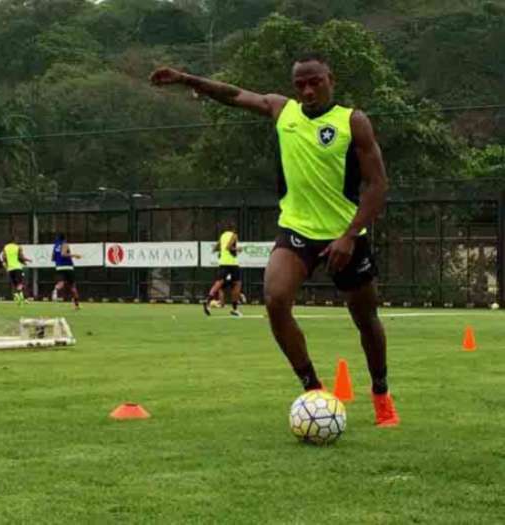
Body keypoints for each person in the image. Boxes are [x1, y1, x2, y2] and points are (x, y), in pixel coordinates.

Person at [150, 52, 399, 427]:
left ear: (330, 78)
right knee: (276, 299)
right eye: (300, 84)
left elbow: (378, 186)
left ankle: (381, 393)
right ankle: (313, 389)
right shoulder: (284, 112)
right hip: (297, 230)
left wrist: (348, 236)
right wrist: (188, 78)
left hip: (345, 236)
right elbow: (233, 95)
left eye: (314, 81)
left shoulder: (352, 121)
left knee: (365, 318)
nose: (308, 90)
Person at [203, 221, 242, 317]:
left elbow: (215, 248)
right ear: (233, 228)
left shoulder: (223, 235)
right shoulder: (234, 235)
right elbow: (229, 247)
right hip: (232, 263)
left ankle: (207, 301)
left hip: (222, 262)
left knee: (219, 282)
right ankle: (234, 309)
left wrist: (221, 250)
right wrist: (237, 249)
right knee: (237, 284)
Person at [51, 233, 81, 310]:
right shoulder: (65, 244)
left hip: (59, 267)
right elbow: (63, 254)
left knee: (60, 283)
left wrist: (58, 261)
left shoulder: (55, 246)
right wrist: (75, 255)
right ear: (64, 239)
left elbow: (52, 258)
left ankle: (55, 290)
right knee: (73, 287)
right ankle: (76, 305)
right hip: (68, 267)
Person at [1, 235, 31, 305]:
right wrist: (28, 260)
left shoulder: (6, 247)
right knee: (20, 283)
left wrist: (5, 265)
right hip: (17, 267)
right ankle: (21, 297)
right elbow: (21, 257)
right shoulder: (18, 247)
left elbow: (4, 258)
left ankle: (19, 297)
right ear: (14, 240)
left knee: (15, 284)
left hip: (10, 269)